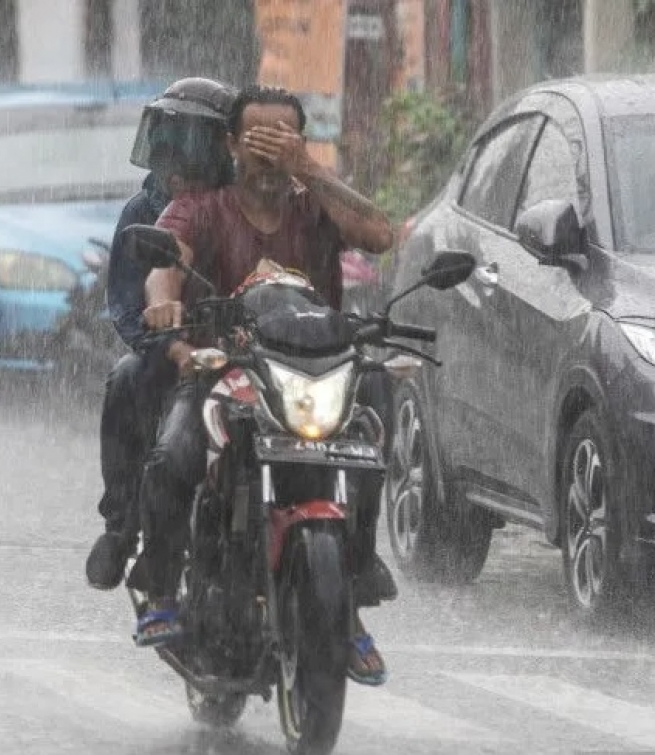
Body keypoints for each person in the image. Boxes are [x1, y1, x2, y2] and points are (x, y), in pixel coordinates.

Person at [134, 84, 397, 686]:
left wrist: (311, 171)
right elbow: (165, 265)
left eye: (285, 138)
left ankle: (351, 588)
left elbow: (380, 235)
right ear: (230, 144)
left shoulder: (316, 207)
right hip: (225, 373)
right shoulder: (202, 208)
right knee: (174, 452)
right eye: (257, 137)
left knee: (375, 410)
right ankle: (160, 592)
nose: (270, 150)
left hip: (315, 376)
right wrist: (164, 305)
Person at [84, 77, 238, 590]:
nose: (175, 160)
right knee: (125, 378)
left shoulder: (240, 209)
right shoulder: (139, 211)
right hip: (168, 352)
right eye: (168, 140)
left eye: (193, 142)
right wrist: (167, 342)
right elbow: (128, 307)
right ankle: (122, 526)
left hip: (245, 354)